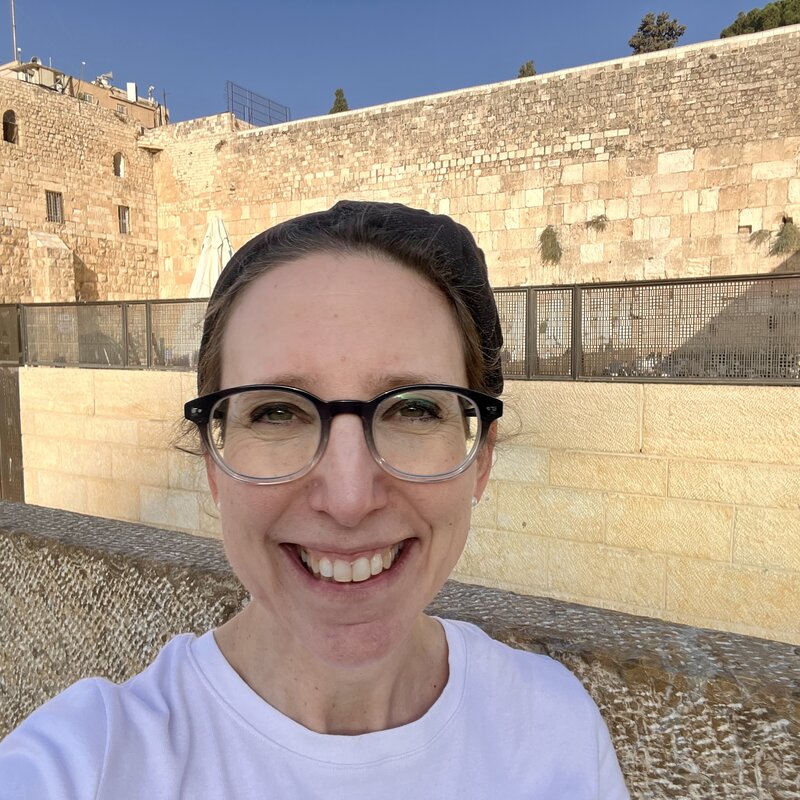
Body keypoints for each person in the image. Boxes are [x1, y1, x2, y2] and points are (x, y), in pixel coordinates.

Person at [0, 201, 630, 798]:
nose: (350, 498)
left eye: (413, 409)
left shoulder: (557, 730)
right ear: (214, 466)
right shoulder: (90, 764)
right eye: (277, 412)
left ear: (481, 457)